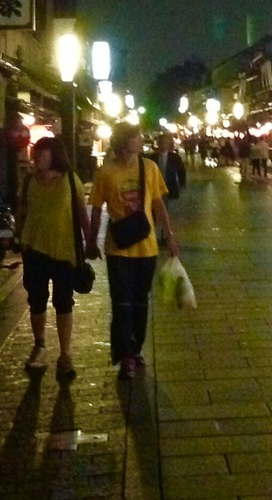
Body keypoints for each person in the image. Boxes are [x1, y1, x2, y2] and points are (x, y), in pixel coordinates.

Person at [87, 123, 179, 379]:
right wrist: (91, 240)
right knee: (122, 303)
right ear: (124, 141)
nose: (140, 140)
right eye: (136, 137)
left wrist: (169, 235)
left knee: (140, 302)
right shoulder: (106, 173)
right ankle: (125, 355)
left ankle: (136, 348)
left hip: (146, 247)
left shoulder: (149, 168)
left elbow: (159, 203)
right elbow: (95, 208)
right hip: (118, 249)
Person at [15, 136, 90, 380]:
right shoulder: (28, 181)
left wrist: (89, 242)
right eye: (36, 154)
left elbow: (81, 213)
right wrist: (17, 237)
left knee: (63, 302)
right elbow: (21, 212)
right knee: (36, 300)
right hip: (34, 250)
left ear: (55, 155)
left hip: (64, 251)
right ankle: (39, 346)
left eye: (42, 154)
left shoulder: (70, 180)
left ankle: (65, 354)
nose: (37, 158)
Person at [152, 131, 188, 201]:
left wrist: (182, 184)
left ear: (168, 144)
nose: (163, 145)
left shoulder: (175, 157)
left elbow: (181, 171)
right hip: (156, 186)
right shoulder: (152, 157)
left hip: (170, 185)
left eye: (165, 143)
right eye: (161, 143)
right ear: (158, 143)